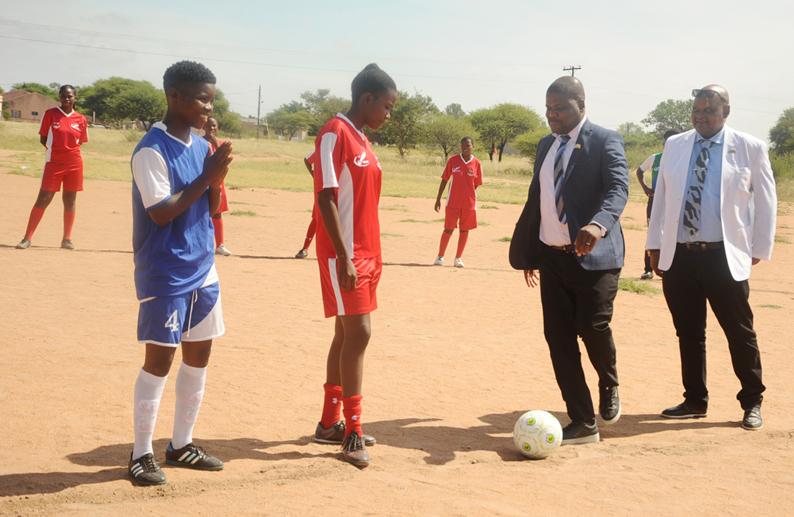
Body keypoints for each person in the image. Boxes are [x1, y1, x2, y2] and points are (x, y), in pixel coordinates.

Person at [127, 61, 233, 486]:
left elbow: (210, 208)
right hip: (166, 273)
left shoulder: (201, 146)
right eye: (201, 98)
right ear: (174, 96)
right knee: (158, 362)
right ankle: (140, 454)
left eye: (212, 98)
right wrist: (207, 176)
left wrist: (217, 177)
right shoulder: (151, 149)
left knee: (199, 356)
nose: (209, 106)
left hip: (203, 268)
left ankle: (181, 444)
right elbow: (161, 213)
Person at [646, 85, 776, 430]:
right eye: (696, 111)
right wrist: (654, 243)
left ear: (726, 112)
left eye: (708, 110)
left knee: (740, 332)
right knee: (688, 332)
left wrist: (758, 249)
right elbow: (661, 197)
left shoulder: (749, 148)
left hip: (723, 255)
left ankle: (752, 401)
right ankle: (694, 399)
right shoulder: (676, 145)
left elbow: (765, 200)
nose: (701, 117)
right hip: (681, 256)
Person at [509, 76, 629, 445]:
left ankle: (609, 383)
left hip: (595, 256)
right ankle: (582, 420)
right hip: (552, 258)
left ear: (581, 103)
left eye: (559, 108)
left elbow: (618, 188)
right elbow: (539, 200)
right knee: (558, 338)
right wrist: (532, 251)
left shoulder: (605, 140)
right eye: (548, 109)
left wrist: (597, 225)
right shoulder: (546, 145)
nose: (552, 115)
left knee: (592, 326)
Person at [312, 63, 397, 468]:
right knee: (359, 333)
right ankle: (352, 432)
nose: (389, 114)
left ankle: (330, 422)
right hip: (344, 254)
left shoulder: (361, 137)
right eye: (387, 106)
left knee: (345, 333)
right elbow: (326, 195)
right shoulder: (336, 132)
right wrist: (345, 255)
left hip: (367, 252)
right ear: (368, 99)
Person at [16, 85, 88, 250]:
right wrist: (56, 152)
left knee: (70, 200)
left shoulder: (81, 119)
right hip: (54, 163)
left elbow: (80, 141)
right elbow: (43, 138)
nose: (66, 99)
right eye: (63, 96)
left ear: (75, 98)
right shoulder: (51, 114)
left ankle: (67, 239)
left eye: (70, 96)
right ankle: (27, 238)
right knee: (43, 198)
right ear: (59, 97)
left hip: (75, 164)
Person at [432, 136, 483, 268]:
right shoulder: (453, 161)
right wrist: (438, 198)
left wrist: (468, 193)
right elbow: (444, 179)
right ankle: (440, 256)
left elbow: (476, 184)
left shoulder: (477, 163)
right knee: (448, 229)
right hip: (453, 203)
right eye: (463, 145)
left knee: (464, 230)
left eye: (468, 145)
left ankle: (458, 258)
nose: (465, 148)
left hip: (469, 204)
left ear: (473, 147)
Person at [636, 130, 677, 279]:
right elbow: (639, 171)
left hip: (674, 202)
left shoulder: (682, 159)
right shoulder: (655, 158)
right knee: (653, 232)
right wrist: (646, 188)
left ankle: (671, 268)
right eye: (667, 142)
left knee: (673, 234)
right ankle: (648, 269)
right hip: (655, 201)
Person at [202, 116, 232, 256]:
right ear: (203, 127)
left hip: (218, 182)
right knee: (201, 213)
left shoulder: (220, 144)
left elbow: (226, 161)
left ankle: (220, 245)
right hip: (202, 182)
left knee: (217, 212)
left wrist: (216, 143)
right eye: (209, 126)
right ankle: (202, 244)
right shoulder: (198, 142)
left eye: (214, 126)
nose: (212, 128)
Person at [295, 149, 318, 259]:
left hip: (340, 186)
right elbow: (307, 160)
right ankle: (305, 248)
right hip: (322, 185)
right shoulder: (324, 146)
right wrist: (314, 175)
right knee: (317, 219)